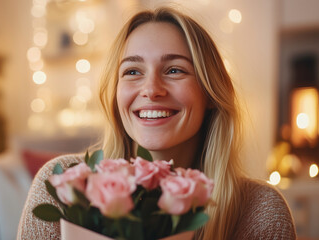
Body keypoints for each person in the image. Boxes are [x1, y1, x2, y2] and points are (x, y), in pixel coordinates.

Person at [17, 6, 296, 240]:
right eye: (133, 71)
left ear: (210, 93)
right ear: (115, 94)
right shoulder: (63, 185)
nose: (151, 89)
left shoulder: (260, 209)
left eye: (174, 70)